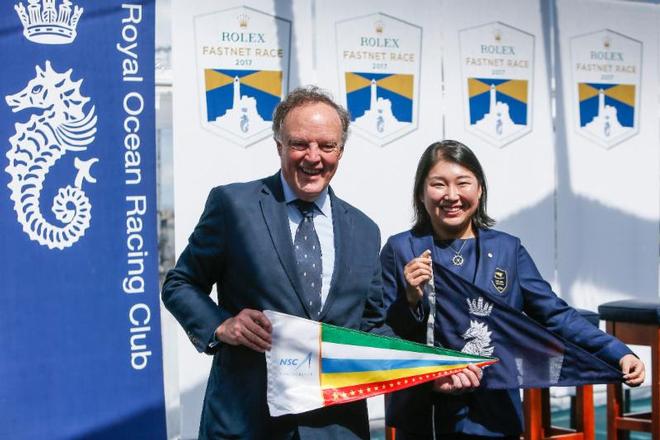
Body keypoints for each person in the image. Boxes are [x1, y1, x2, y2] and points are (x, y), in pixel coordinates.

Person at [161, 89, 479, 439]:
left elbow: (370, 329)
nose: (313, 157)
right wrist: (222, 325)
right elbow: (180, 284)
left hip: (337, 427)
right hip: (248, 423)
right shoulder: (233, 206)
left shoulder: (363, 229)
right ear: (278, 145)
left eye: (327, 146)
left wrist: (431, 370)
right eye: (300, 144)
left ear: (341, 151)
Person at [380, 140, 645, 439]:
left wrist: (617, 353)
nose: (451, 195)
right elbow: (382, 333)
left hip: (494, 415)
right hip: (424, 417)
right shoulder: (400, 249)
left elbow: (556, 315)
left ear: (479, 189)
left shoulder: (507, 249)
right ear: (421, 192)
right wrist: (411, 299)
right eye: (438, 184)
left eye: (463, 183)